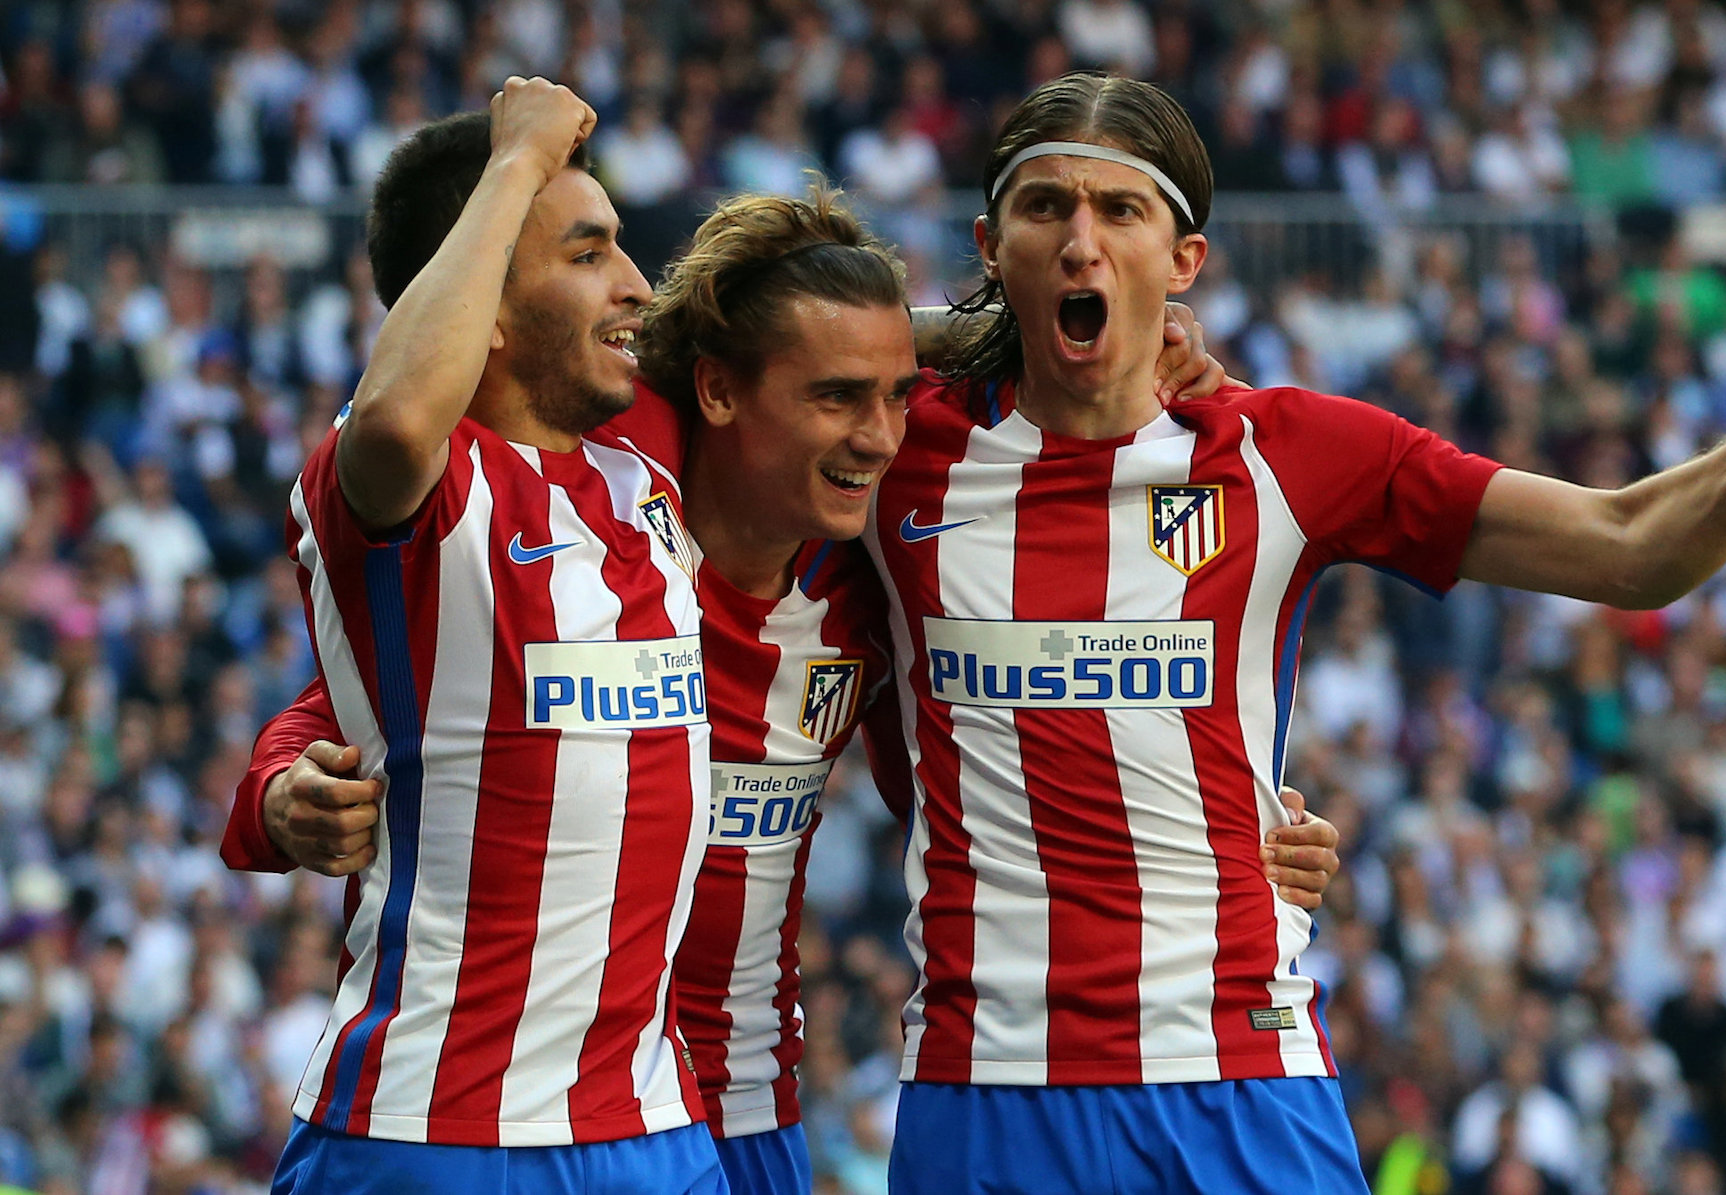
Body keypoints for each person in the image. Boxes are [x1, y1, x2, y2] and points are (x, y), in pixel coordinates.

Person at [225, 183, 1343, 1194]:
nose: (877, 435)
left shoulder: (865, 585)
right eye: (837, 399)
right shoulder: (608, 499)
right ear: (718, 394)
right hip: (502, 1105)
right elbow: (391, 683)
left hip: (739, 1109)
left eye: (894, 400)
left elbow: (990, 775)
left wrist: (1232, 843)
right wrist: (280, 786)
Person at [867, 71, 1726, 1194]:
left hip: (1237, 1079)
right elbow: (719, 336)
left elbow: (1629, 546)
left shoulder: (1289, 452)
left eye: (1120, 211)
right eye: (1044, 208)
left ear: (1183, 257)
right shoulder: (890, 442)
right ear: (988, 242)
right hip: (983, 1089)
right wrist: (943, 333)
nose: (1079, 242)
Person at [259, 78, 723, 1193]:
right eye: (587, 251)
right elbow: (398, 417)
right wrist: (514, 158)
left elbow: (815, 356)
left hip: (654, 1129)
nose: (634, 282)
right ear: (486, 304)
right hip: (435, 1133)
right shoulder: (416, 478)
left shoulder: (640, 473)